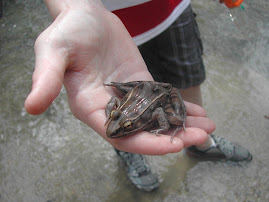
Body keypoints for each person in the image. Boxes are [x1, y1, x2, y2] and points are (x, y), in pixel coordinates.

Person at [24, 0, 252, 192]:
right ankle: (129, 151)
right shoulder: (120, 116)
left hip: (172, 11)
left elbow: (159, 112)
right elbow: (114, 106)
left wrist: (160, 127)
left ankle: (200, 142)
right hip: (108, 24)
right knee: (115, 108)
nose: (114, 123)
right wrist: (73, 7)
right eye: (117, 119)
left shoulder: (142, 118)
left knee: (188, 83)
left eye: (123, 124)